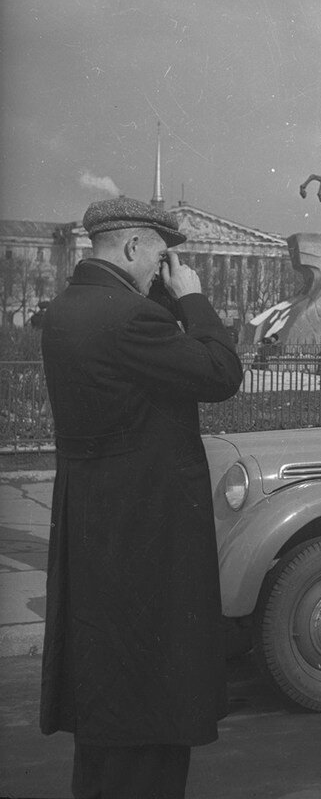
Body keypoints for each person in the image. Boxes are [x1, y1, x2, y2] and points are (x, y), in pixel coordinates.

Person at [40, 197, 244, 798]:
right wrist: (193, 299)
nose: (164, 266)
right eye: (159, 253)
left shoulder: (67, 311)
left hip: (96, 530)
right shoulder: (132, 320)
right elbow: (221, 373)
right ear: (132, 247)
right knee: (155, 701)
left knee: (107, 701)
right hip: (147, 536)